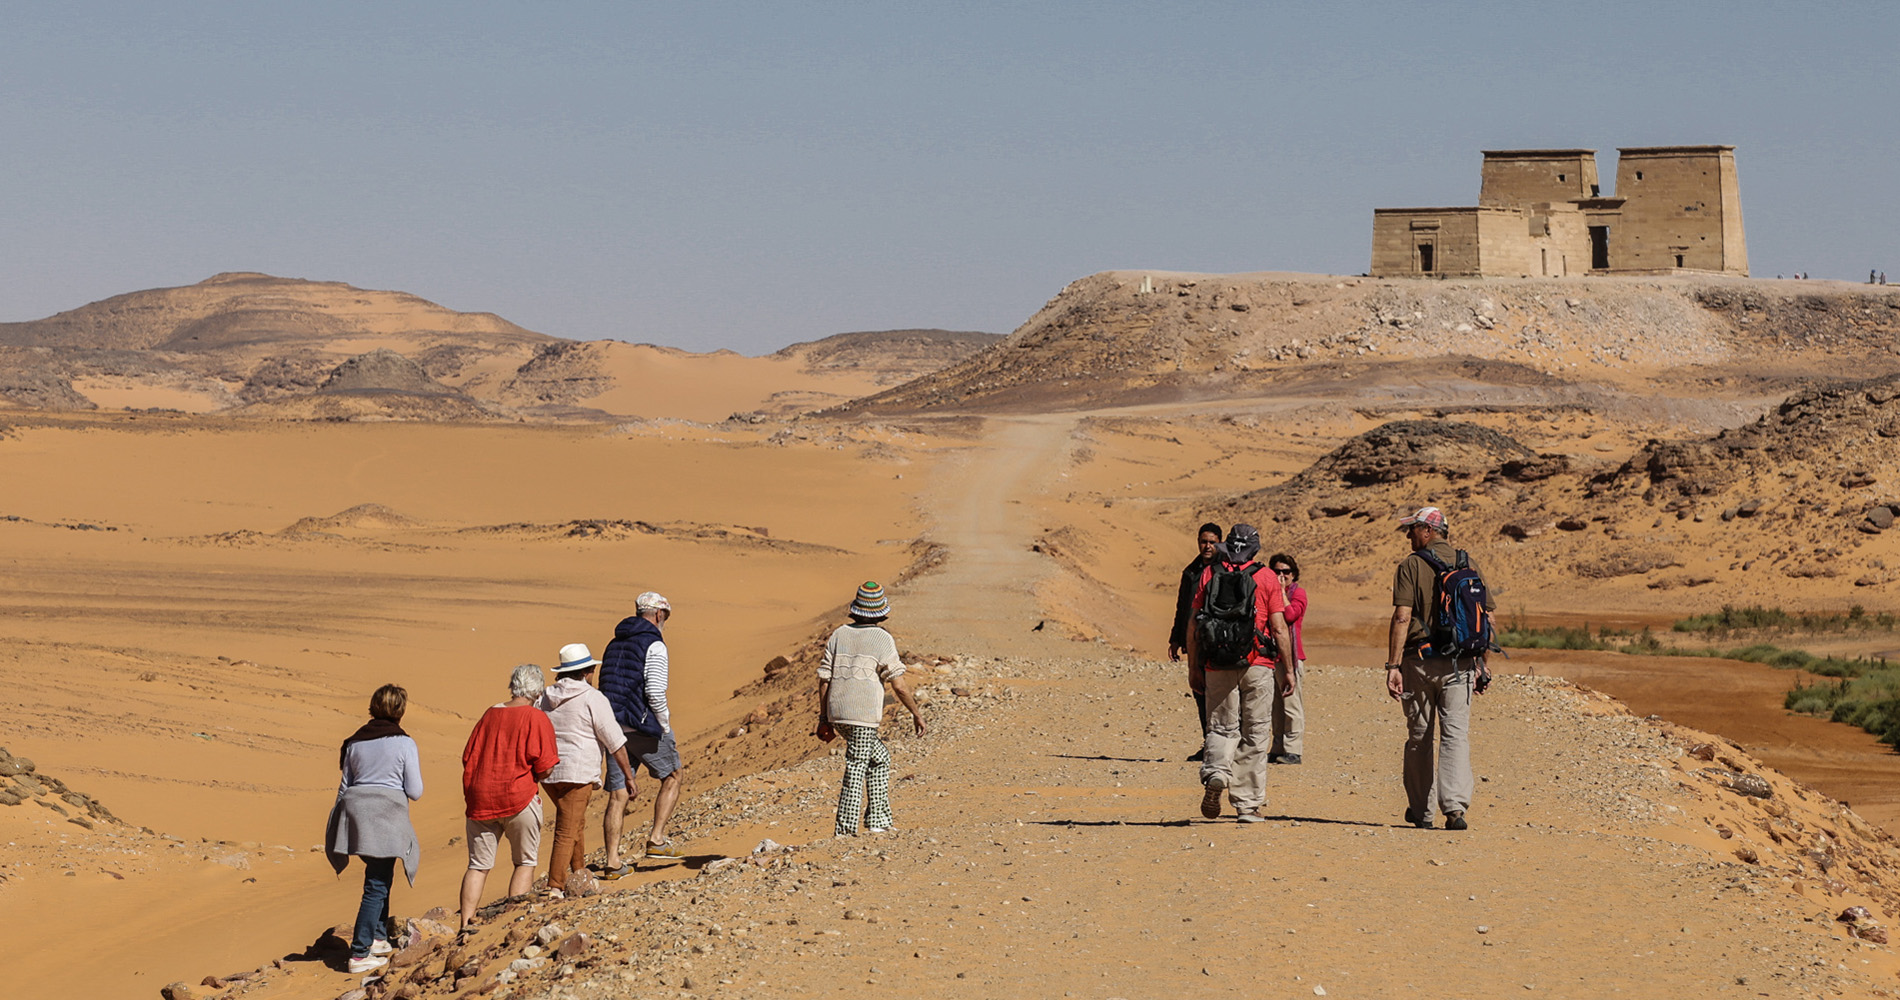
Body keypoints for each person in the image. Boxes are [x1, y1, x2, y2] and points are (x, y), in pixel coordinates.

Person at [1385, 506, 1496, 831]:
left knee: (1420, 736)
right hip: (1460, 664)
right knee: (1455, 736)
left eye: (1412, 529)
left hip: (1419, 664)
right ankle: (1455, 808)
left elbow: (1402, 617)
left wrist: (1393, 665)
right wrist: (1482, 665)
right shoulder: (1468, 563)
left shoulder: (1411, 565)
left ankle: (1421, 811)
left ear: (1428, 532)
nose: (1408, 535)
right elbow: (1487, 618)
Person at [1191, 525, 1296, 824]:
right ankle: (1248, 805)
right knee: (1256, 733)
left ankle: (1216, 774)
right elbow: (1278, 627)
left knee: (1222, 728)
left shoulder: (1209, 574)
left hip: (1217, 663)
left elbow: (1193, 625)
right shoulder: (1266, 577)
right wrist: (1287, 669)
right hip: (1258, 664)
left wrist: (1193, 667)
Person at [325, 684, 423, 974]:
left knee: (380, 875)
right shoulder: (405, 743)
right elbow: (415, 791)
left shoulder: (355, 742)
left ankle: (379, 937)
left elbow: (345, 788)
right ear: (400, 711)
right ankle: (359, 952)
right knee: (376, 884)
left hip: (355, 817)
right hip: (385, 816)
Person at [816, 581, 926, 835]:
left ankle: (878, 821)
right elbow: (899, 685)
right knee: (856, 766)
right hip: (862, 716)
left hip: (838, 713)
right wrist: (916, 713)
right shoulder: (881, 638)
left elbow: (824, 679)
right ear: (881, 612)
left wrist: (824, 717)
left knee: (880, 758)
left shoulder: (839, 634)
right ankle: (845, 831)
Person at [457, 664, 558, 924]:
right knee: (525, 861)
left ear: (513, 686)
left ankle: (465, 923)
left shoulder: (490, 714)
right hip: (519, 798)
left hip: (480, 800)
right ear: (537, 692)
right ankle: (514, 921)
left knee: (478, 865)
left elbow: (468, 756)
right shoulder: (536, 718)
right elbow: (546, 768)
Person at [539, 643, 638, 889]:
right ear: (587, 672)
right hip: (578, 773)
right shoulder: (593, 698)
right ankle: (555, 886)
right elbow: (615, 741)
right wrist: (629, 776)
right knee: (566, 830)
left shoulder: (544, 697)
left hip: (549, 774)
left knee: (575, 824)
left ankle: (579, 872)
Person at [599, 591, 685, 867]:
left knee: (618, 794)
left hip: (613, 728)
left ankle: (612, 862)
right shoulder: (654, 645)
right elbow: (656, 692)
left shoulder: (613, 644)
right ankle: (656, 839)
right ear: (659, 615)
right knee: (673, 774)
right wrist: (665, 726)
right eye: (665, 617)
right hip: (643, 727)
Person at [1168, 522, 1225, 762]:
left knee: (1222, 693)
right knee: (1200, 692)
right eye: (1204, 541)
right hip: (1196, 642)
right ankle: (1210, 743)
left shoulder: (1227, 569)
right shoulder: (1191, 572)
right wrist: (1175, 638)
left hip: (1221, 642)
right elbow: (1183, 607)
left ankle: (1229, 743)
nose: (1208, 546)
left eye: (1212, 542)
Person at [1266, 552, 1307, 765]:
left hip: (1292, 657)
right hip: (1274, 657)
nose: (1282, 575)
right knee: (1276, 706)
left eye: (1286, 571)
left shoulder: (1298, 593)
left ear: (1293, 573)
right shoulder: (1268, 592)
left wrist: (1281, 593)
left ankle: (1294, 750)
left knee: (1292, 704)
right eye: (1277, 571)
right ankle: (1278, 747)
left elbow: (1290, 615)